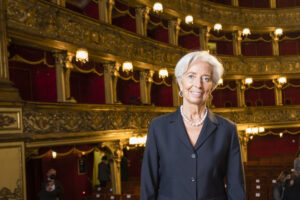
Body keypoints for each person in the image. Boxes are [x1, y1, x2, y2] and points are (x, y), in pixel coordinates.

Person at [140, 51, 245, 200]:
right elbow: (148, 186)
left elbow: (236, 189)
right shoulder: (158, 127)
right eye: (191, 76)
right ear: (180, 83)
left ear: (212, 87)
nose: (198, 84)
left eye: (206, 78)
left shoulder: (227, 130)